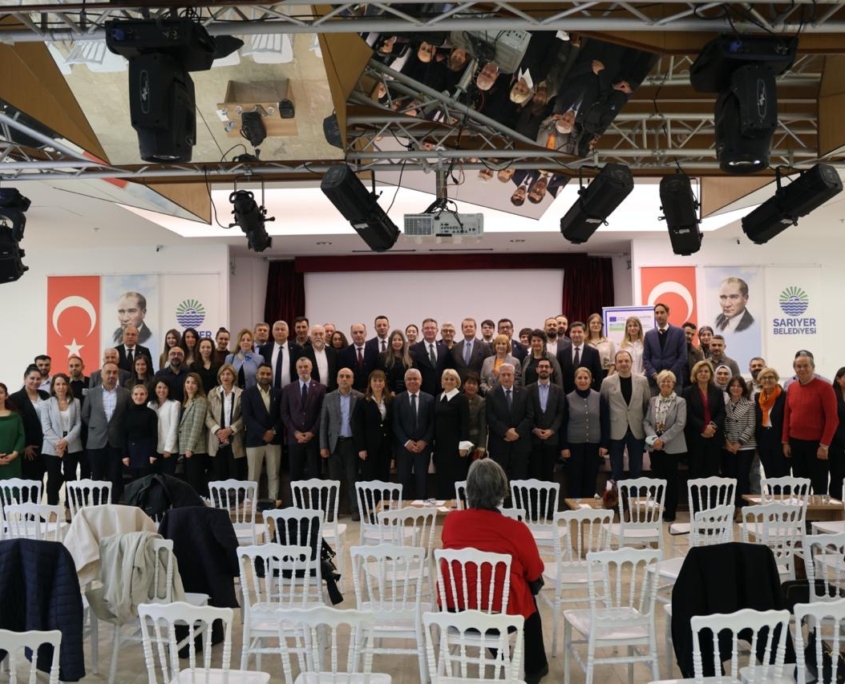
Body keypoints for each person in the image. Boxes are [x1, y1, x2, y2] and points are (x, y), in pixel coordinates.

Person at [440, 459, 549, 684]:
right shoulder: (516, 529)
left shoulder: (451, 522)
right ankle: (535, 668)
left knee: (481, 585)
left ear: (469, 489)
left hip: (455, 611)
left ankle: (502, 655)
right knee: (527, 593)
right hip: (501, 617)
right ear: (501, 491)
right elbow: (534, 571)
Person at [782, 351, 839, 496]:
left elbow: (832, 419)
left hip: (817, 445)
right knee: (800, 486)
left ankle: (819, 512)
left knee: (819, 486)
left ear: (813, 367)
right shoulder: (791, 387)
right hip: (796, 444)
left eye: (806, 366)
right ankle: (801, 511)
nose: (802, 369)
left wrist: (824, 446)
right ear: (794, 369)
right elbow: (787, 416)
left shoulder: (825, 387)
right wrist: (785, 442)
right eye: (798, 366)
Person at [82, 361, 132, 502]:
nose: (111, 375)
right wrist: (96, 427)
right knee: (96, 477)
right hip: (96, 442)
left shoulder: (126, 393)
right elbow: (85, 415)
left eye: (114, 372)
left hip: (116, 442)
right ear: (102, 375)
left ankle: (113, 505)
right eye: (108, 372)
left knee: (115, 477)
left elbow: (128, 416)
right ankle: (97, 506)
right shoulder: (92, 393)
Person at [643, 370, 687, 522]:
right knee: (658, 479)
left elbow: (680, 424)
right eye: (663, 381)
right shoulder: (652, 401)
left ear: (673, 384)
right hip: (654, 446)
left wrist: (662, 440)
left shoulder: (680, 402)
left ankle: (670, 511)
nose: (666, 383)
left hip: (672, 446)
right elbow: (646, 422)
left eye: (669, 381)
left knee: (671, 480)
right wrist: (655, 439)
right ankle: (658, 509)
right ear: (658, 383)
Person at [320, 367, 363, 519]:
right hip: (334, 444)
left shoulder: (359, 397)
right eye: (342, 376)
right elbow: (324, 423)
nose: (345, 379)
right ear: (337, 379)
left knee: (353, 478)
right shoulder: (328, 397)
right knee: (334, 480)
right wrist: (323, 446)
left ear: (352, 380)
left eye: (348, 376)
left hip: (352, 444)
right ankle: (332, 510)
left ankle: (355, 509)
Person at [601, 350, 650, 481]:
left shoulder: (643, 381)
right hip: (615, 429)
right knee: (616, 471)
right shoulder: (607, 382)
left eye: (626, 361)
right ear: (616, 364)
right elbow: (604, 407)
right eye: (620, 361)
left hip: (636, 429)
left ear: (632, 362)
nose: (624, 364)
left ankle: (634, 494)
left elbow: (647, 405)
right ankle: (617, 494)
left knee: (636, 470)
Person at [562, 367, 609, 498]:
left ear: (590, 380)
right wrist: (564, 446)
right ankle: (574, 507)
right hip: (574, 445)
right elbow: (563, 424)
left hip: (594, 445)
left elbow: (605, 422)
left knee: (591, 478)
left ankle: (588, 507)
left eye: (585, 378)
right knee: (574, 478)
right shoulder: (568, 398)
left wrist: (604, 444)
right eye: (580, 378)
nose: (582, 381)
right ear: (575, 380)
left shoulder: (599, 397)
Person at [683, 361, 726, 495]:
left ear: (710, 374)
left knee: (712, 473)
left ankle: (712, 505)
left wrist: (712, 426)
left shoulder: (717, 391)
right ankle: (696, 505)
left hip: (714, 437)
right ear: (695, 374)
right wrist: (703, 428)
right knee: (695, 473)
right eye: (700, 371)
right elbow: (688, 414)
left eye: (706, 371)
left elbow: (722, 412)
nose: (703, 374)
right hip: (696, 437)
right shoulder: (687, 391)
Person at [241, 363, 283, 500]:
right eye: (262, 373)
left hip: (274, 440)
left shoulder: (278, 393)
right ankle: (252, 506)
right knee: (253, 476)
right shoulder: (247, 393)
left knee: (274, 475)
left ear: (272, 376)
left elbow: (282, 416)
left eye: (268, 374)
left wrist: (273, 432)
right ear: (256, 375)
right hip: (254, 440)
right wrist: (263, 433)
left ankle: (273, 504)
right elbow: (247, 417)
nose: (265, 376)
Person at [40, 374, 83, 505]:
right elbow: (46, 427)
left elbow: (78, 424)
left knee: (71, 477)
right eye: (57, 384)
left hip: (72, 444)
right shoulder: (46, 403)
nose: (61, 387)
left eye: (64, 384)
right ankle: (52, 507)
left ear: (68, 385)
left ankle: (69, 507)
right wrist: (59, 444)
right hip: (51, 446)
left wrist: (66, 441)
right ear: (53, 387)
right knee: (53, 478)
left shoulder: (76, 402)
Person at [281, 357, 326, 482]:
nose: (303, 369)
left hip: (313, 439)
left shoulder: (320, 388)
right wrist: (295, 432)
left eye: (306, 366)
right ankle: (296, 497)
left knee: (315, 475)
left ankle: (316, 496)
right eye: (300, 367)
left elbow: (322, 413)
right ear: (296, 369)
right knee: (295, 476)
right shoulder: (288, 388)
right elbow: (284, 413)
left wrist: (312, 432)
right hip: (294, 439)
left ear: (311, 368)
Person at [393, 368, 435, 499]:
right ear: (405, 382)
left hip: (423, 447)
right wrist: (406, 442)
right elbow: (395, 423)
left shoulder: (430, 399)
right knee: (403, 480)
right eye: (409, 379)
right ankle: (403, 507)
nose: (412, 381)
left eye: (415, 379)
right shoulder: (397, 399)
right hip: (404, 447)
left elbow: (432, 423)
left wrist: (424, 441)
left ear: (421, 381)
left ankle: (422, 507)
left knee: (422, 480)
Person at [486, 364, 532, 481]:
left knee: (519, 480)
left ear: (514, 376)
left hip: (520, 444)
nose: (506, 377)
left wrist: (517, 432)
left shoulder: (524, 392)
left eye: (509, 374)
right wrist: (505, 432)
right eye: (503, 375)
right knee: (499, 480)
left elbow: (529, 415)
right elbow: (490, 417)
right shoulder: (491, 394)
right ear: (499, 377)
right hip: (499, 444)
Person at [433, 369, 471, 500]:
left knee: (455, 476)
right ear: (442, 381)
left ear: (457, 382)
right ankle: (442, 505)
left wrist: (463, 446)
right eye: (446, 379)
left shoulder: (462, 398)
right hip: (440, 446)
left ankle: (457, 506)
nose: (449, 381)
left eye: (452, 379)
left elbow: (465, 423)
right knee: (441, 477)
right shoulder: (438, 397)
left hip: (456, 446)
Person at [526, 357, 565, 482]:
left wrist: (552, 430)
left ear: (551, 370)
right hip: (533, 439)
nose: (544, 369)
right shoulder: (528, 389)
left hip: (551, 439)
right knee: (533, 476)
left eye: (546, 367)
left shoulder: (558, 390)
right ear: (537, 369)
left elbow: (560, 413)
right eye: (541, 366)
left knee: (549, 476)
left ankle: (548, 496)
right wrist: (534, 429)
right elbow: (525, 413)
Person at [721, 375, 756, 508]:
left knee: (742, 477)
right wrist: (727, 442)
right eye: (733, 385)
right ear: (729, 388)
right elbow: (721, 425)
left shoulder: (749, 404)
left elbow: (751, 426)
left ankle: (742, 508)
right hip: (728, 446)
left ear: (743, 389)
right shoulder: (724, 404)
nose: (736, 388)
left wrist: (738, 443)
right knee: (729, 477)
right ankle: (729, 507)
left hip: (745, 446)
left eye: (739, 386)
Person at [206, 364, 245, 481]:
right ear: (219, 377)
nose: (225, 377)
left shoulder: (241, 393)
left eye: (228, 374)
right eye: (222, 374)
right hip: (216, 439)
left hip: (235, 438)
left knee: (236, 474)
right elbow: (207, 416)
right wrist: (219, 432)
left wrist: (230, 430)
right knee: (219, 475)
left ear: (234, 377)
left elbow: (245, 416)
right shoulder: (212, 393)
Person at [353, 369, 393, 483]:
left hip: (385, 447)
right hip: (368, 447)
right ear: (370, 383)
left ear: (384, 383)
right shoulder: (362, 401)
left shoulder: (390, 400)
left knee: (384, 478)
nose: (377, 383)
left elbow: (391, 424)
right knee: (369, 478)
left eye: (380, 380)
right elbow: (357, 426)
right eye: (374, 380)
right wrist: (361, 448)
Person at [10, 365, 48, 482]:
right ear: (25, 379)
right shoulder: (14, 398)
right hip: (28, 448)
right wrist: (24, 445)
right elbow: (15, 426)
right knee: (27, 481)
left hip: (45, 445)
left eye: (38, 379)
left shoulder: (45, 395)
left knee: (40, 480)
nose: (35, 381)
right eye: (32, 378)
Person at [643, 303, 687, 395]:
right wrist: (654, 375)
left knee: (674, 404)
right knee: (654, 404)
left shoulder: (679, 332)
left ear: (668, 314)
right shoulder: (649, 335)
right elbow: (646, 358)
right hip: (654, 382)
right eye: (657, 313)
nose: (659, 315)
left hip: (674, 380)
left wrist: (669, 375)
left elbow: (683, 357)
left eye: (662, 312)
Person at [754, 367, 788, 480]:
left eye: (770, 377)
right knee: (769, 472)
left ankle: (784, 492)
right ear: (760, 380)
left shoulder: (784, 396)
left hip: (779, 438)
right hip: (763, 438)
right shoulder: (757, 397)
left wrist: (786, 441)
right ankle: (771, 492)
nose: (767, 380)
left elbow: (787, 419)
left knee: (782, 472)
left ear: (776, 379)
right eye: (764, 378)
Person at [179, 372, 209, 496]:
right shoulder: (186, 401)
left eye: (193, 383)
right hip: (185, 448)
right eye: (188, 382)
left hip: (195, 450)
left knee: (195, 482)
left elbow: (197, 426)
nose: (190, 385)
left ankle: (197, 505)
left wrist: (190, 448)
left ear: (198, 386)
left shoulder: (200, 401)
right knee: (188, 481)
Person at [123, 384, 158, 481]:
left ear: (146, 395)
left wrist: (153, 454)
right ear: (132, 396)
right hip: (131, 451)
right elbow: (124, 435)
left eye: (142, 394)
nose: (139, 396)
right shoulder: (127, 414)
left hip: (146, 452)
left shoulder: (151, 413)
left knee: (146, 480)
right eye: (136, 394)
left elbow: (154, 435)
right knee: (134, 481)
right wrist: (125, 455)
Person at [410, 318, 451, 397]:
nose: (430, 330)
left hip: (442, 391)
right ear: (422, 331)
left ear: (437, 330)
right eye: (427, 328)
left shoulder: (444, 348)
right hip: (422, 391)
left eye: (432, 328)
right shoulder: (413, 349)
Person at [558, 321, 602, 394]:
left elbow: (598, 376)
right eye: (574, 332)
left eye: (579, 332)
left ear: (584, 334)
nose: (576, 334)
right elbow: (560, 375)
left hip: (588, 393)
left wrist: (595, 392)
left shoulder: (593, 352)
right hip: (567, 393)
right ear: (570, 334)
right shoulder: (562, 353)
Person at [149, 379, 180, 476]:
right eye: (159, 387)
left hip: (169, 450)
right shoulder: (151, 404)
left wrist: (168, 449)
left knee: (167, 478)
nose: (161, 390)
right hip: (154, 449)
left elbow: (174, 427)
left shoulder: (174, 404)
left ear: (169, 389)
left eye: (165, 388)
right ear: (155, 389)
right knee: (155, 478)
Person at [259, 320, 300, 391]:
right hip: (269, 390)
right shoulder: (264, 349)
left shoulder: (297, 349)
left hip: (291, 390)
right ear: (272, 332)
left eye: (282, 329)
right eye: (277, 329)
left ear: (288, 333)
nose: (280, 332)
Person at [338, 323, 379, 393]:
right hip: (350, 392)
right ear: (351, 335)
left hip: (370, 391)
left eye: (361, 332)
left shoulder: (374, 352)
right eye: (355, 332)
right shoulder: (343, 353)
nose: (358, 335)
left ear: (365, 333)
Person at [451, 318, 492, 382]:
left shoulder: (484, 346)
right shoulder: (455, 347)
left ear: (475, 329)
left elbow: (488, 367)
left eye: (471, 326)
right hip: (460, 384)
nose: (468, 328)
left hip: (478, 383)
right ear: (462, 330)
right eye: (466, 327)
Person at [299, 325, 338, 391]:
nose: (318, 336)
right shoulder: (303, 353)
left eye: (321, 334)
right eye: (315, 334)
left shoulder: (333, 352)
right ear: (311, 337)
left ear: (325, 336)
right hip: (311, 390)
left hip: (330, 390)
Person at [0, 383, 25, 481]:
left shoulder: (15, 416)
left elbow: (21, 436)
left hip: (12, 461)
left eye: (1, 392)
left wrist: (14, 454)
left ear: (6, 396)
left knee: (11, 489)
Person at [377, 330, 413, 394]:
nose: (397, 342)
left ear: (403, 342)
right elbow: (381, 376)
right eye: (394, 340)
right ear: (390, 342)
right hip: (388, 392)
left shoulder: (411, 355)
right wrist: (389, 391)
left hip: (407, 391)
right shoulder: (382, 356)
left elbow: (414, 375)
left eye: (399, 340)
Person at [463, 372, 487, 460]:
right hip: (460, 442)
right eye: (469, 383)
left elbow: (483, 426)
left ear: (478, 387)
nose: (471, 386)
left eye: (474, 384)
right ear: (464, 385)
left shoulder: (482, 402)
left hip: (475, 442)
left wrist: (481, 446)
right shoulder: (458, 399)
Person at [586, 313, 617, 378]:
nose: (596, 325)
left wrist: (608, 377)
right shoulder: (584, 342)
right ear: (588, 325)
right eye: (593, 323)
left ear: (601, 325)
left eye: (598, 323)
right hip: (588, 375)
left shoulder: (609, 342)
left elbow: (613, 363)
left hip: (606, 374)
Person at [830, 368, 845, 501]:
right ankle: (835, 507)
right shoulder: (832, 394)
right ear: (838, 379)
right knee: (837, 477)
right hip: (835, 442)